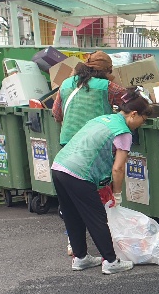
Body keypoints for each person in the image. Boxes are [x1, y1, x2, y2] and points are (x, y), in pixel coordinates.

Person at [50, 88, 151, 275]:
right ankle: (111, 261)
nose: (141, 124)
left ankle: (80, 258)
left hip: (59, 167)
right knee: (97, 218)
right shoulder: (124, 132)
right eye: (143, 120)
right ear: (134, 114)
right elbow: (118, 168)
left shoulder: (103, 119)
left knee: (73, 215)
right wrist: (118, 194)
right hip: (79, 173)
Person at [52, 51, 127, 257]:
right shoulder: (107, 86)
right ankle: (110, 248)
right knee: (97, 197)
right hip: (93, 148)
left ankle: (73, 242)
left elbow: (56, 113)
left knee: (71, 201)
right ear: (106, 72)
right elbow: (129, 103)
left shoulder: (66, 84)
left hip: (67, 148)